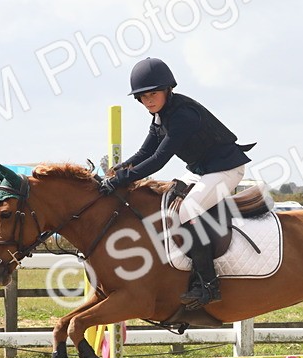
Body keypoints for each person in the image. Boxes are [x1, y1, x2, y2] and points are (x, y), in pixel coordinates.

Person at [99, 57, 253, 309]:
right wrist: (119, 168)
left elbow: (159, 159)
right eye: (143, 96)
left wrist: (123, 180)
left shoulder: (182, 115)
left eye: (153, 94)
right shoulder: (160, 116)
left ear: (167, 89)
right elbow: (144, 153)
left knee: (187, 210)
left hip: (226, 169)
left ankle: (208, 284)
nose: (148, 100)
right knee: (168, 202)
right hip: (202, 170)